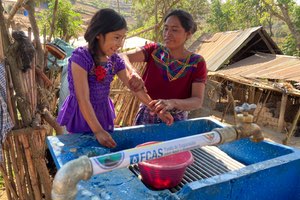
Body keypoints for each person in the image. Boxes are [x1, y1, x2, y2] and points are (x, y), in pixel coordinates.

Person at [57, 8, 173, 148]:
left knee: (101, 153)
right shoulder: (80, 58)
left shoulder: (114, 60)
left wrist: (156, 110)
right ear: (99, 34)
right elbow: (83, 99)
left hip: (102, 112)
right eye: (116, 37)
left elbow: (134, 88)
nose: (120, 44)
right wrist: (98, 130)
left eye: (123, 38)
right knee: (82, 149)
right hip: (83, 114)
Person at [122, 9, 207, 125]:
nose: (168, 34)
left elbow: (197, 101)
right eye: (166, 28)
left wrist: (172, 103)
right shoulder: (154, 50)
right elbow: (122, 56)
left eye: (174, 30)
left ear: (188, 34)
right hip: (147, 116)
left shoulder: (197, 63)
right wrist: (132, 72)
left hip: (175, 121)